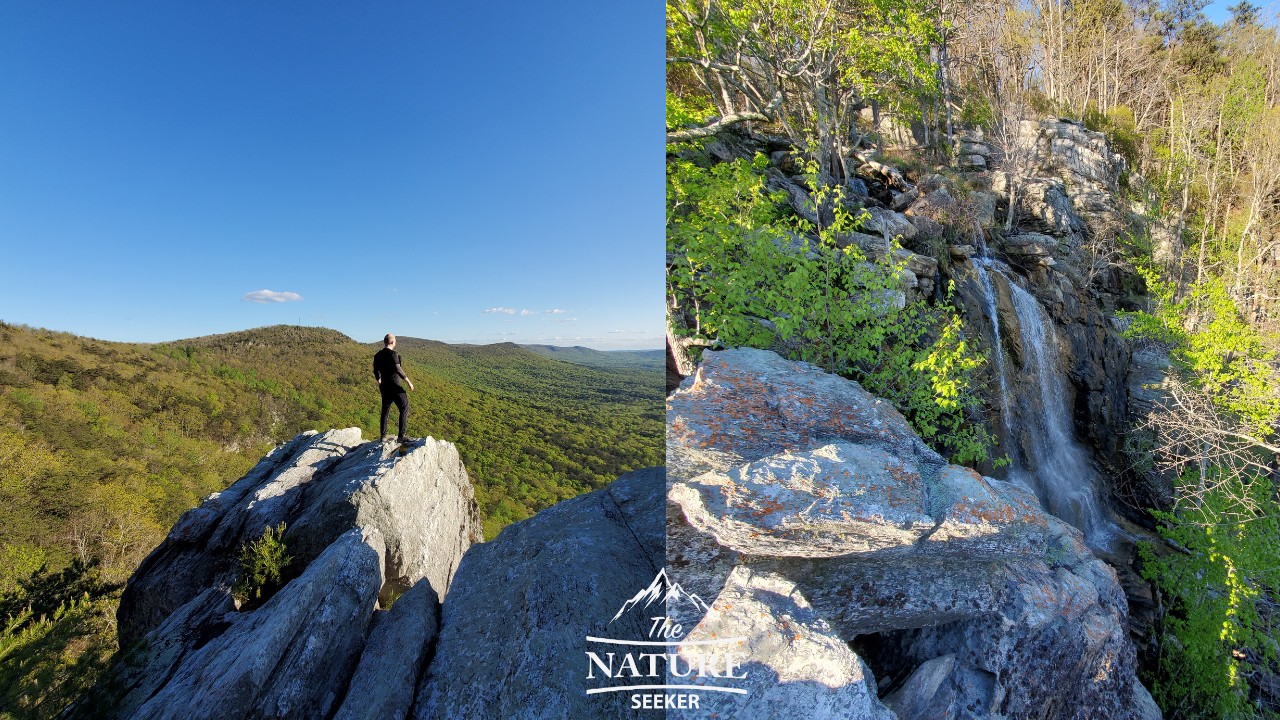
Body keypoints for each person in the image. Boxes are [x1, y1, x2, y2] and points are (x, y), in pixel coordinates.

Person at [373, 333, 414, 442]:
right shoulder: (393, 354)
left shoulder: (377, 355)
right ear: (392, 342)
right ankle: (401, 436)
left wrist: (379, 379)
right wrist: (409, 382)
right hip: (395, 386)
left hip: (384, 386)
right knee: (404, 407)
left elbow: (375, 370)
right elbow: (398, 369)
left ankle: (383, 436)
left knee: (385, 410)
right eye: (395, 340)